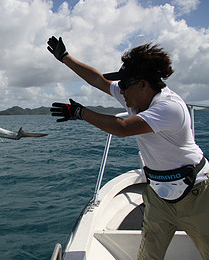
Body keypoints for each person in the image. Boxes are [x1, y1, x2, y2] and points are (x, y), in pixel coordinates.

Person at [47, 36, 209, 259]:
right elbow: (98, 80)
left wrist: (80, 113)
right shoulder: (135, 97)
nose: (119, 90)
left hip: (196, 195)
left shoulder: (169, 107)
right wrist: (65, 58)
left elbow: (122, 127)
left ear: (143, 84)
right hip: (159, 195)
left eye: (124, 85)